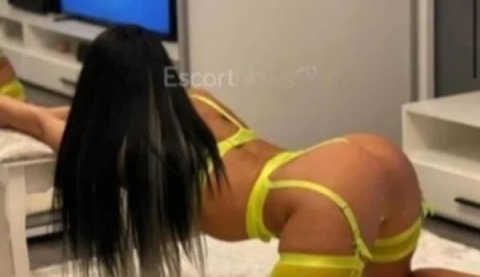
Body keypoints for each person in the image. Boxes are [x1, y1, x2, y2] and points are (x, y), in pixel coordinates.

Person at [0, 25, 476, 277]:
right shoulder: (198, 102)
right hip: (369, 155)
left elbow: (38, 120)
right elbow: (90, 112)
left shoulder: (120, 152)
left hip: (322, 195)